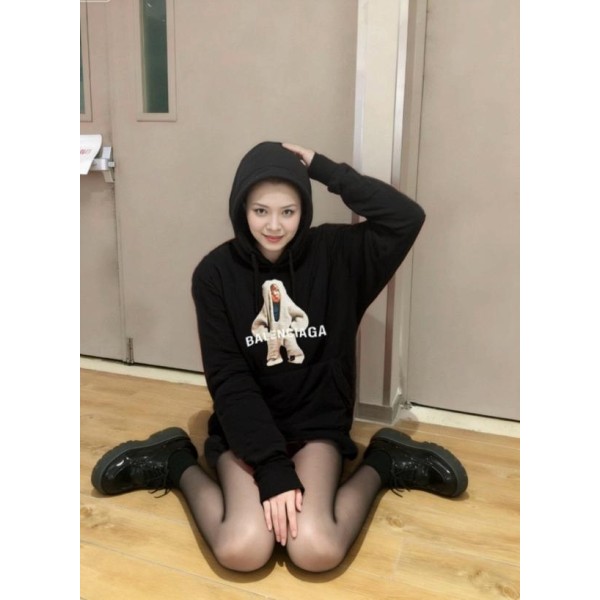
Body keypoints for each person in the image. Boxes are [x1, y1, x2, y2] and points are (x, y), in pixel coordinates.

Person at [91, 142, 468, 573]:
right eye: (260, 211)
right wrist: (271, 468)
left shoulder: (338, 255)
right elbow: (229, 378)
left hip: (316, 424)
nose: (274, 225)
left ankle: (383, 462)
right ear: (241, 208)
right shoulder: (214, 275)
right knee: (243, 550)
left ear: (304, 208)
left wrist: (323, 168)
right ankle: (176, 461)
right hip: (247, 427)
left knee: (316, 550)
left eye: (288, 211)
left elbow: (406, 217)